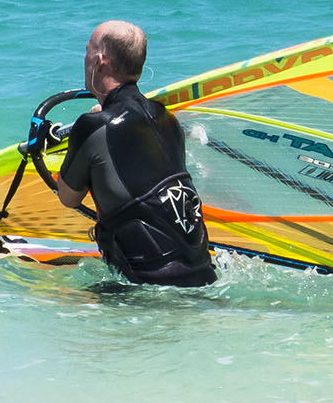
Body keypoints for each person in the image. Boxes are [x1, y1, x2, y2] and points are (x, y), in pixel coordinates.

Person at [49, 21, 217, 287]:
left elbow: (69, 197)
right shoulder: (167, 120)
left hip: (147, 288)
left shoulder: (93, 127)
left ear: (100, 60)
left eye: (87, 50)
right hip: (204, 274)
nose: (84, 58)